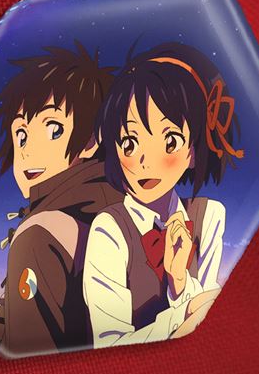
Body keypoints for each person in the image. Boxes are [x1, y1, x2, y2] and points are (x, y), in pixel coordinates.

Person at [82, 42, 243, 346]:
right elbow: (108, 341)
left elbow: (209, 317)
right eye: (130, 143)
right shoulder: (109, 230)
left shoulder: (208, 216)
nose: (145, 161)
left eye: (170, 141)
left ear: (192, 152)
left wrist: (179, 280)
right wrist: (183, 313)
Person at [0, 42, 119, 357]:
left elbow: (27, 353)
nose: (28, 150)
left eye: (53, 129)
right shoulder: (123, 209)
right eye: (21, 134)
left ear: (91, 141)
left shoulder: (39, 234)